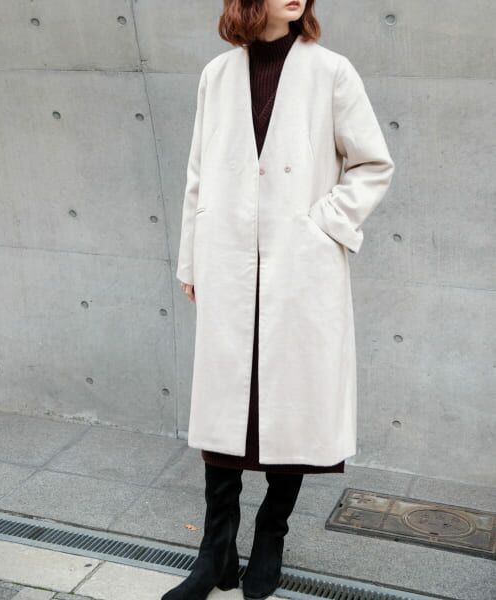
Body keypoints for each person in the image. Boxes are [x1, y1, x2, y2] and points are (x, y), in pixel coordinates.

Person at [165, 0, 395, 598]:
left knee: (291, 407)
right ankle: (215, 551)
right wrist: (191, 257)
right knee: (226, 409)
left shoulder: (331, 71)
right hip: (227, 261)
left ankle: (271, 535)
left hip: (299, 269)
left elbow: (373, 164)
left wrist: (322, 224)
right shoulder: (217, 74)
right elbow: (197, 174)